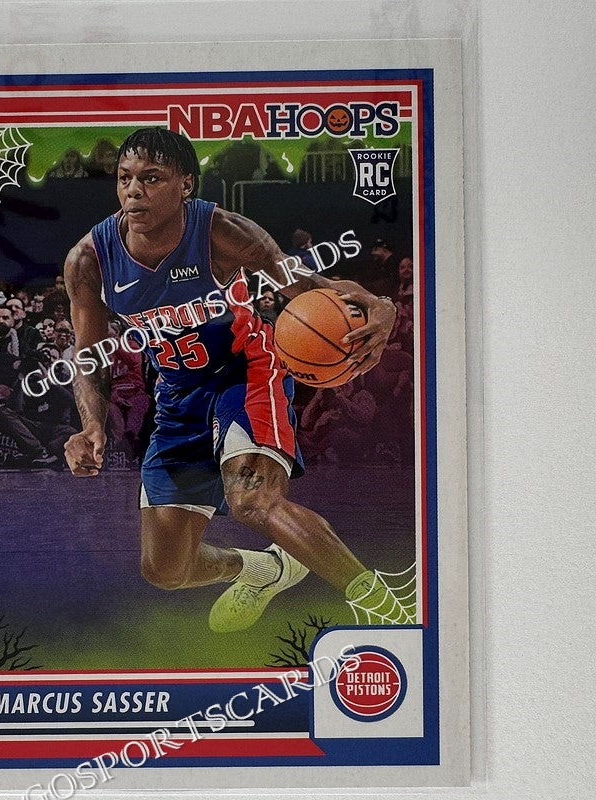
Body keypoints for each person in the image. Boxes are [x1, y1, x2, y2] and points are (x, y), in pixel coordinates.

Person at [62, 127, 407, 633]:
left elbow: (312, 287)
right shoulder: (89, 260)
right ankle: (265, 569)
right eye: (124, 178)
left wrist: (382, 305)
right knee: (165, 570)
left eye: (151, 178)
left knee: (252, 501)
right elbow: (90, 354)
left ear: (185, 184)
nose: (133, 191)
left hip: (245, 373)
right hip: (177, 395)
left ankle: (390, 609)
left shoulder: (222, 232)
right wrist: (91, 424)